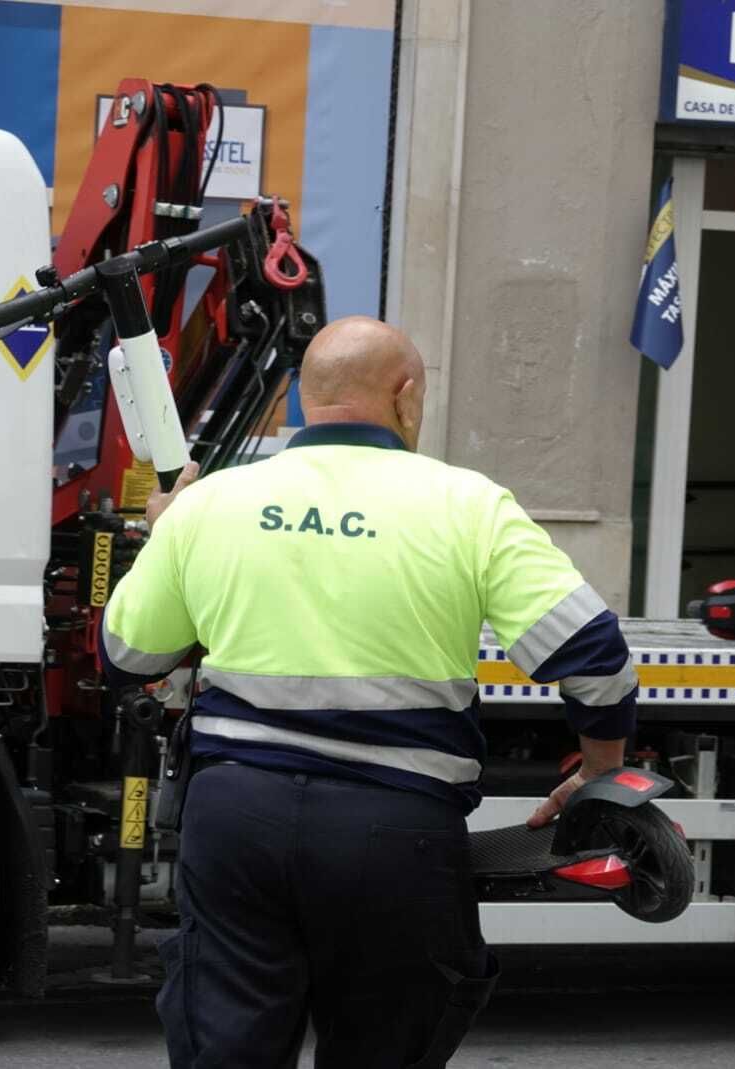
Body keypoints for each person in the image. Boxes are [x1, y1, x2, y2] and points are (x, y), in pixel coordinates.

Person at [99, 316, 638, 1068]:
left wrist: (166, 529)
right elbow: (595, 654)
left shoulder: (211, 503)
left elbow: (128, 653)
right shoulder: (468, 504)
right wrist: (601, 771)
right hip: (395, 830)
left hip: (235, 817)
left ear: (301, 398)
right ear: (406, 396)